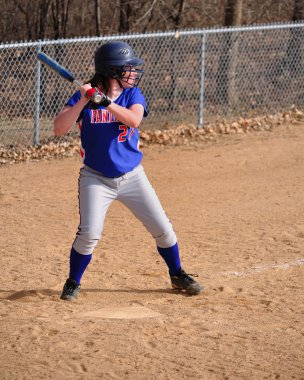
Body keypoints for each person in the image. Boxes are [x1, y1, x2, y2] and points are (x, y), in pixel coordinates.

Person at [54, 41, 203, 301]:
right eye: (127, 68)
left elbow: (134, 120)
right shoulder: (85, 97)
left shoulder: (133, 95)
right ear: (112, 71)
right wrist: (82, 101)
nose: (133, 72)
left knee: (163, 229)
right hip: (96, 178)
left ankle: (177, 273)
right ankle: (72, 282)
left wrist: (105, 102)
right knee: (89, 233)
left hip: (133, 176)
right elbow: (59, 128)